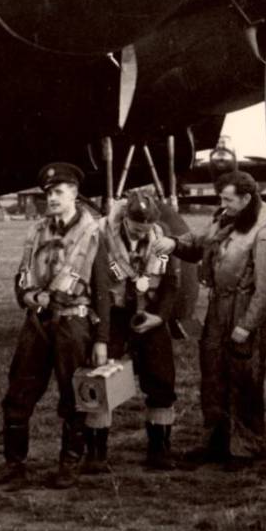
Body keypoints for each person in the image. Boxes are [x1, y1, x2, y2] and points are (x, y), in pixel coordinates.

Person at [0, 162, 103, 489]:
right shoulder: (36, 230)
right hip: (37, 323)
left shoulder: (94, 232)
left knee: (74, 395)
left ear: (75, 194)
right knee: (18, 393)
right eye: (48, 193)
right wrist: (28, 296)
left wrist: (102, 338)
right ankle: (14, 464)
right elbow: (22, 274)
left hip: (74, 323)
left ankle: (70, 463)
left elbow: (104, 289)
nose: (51, 198)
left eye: (59, 192)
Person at [153, 170, 266, 468]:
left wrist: (247, 325)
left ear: (247, 199)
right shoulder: (224, 220)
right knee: (212, 376)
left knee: (244, 378)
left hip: (243, 309)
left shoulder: (263, 233)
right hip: (217, 310)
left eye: (228, 199)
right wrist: (174, 243)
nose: (223, 204)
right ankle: (215, 440)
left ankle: (246, 446)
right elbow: (202, 242)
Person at [85, 191, 179, 473]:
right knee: (100, 379)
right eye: (136, 227)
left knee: (162, 379)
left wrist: (159, 317)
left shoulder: (162, 236)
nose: (142, 232)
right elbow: (96, 284)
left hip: (149, 316)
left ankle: (159, 449)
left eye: (147, 227)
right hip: (112, 316)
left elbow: (171, 283)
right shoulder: (101, 234)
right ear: (125, 217)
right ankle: (96, 453)